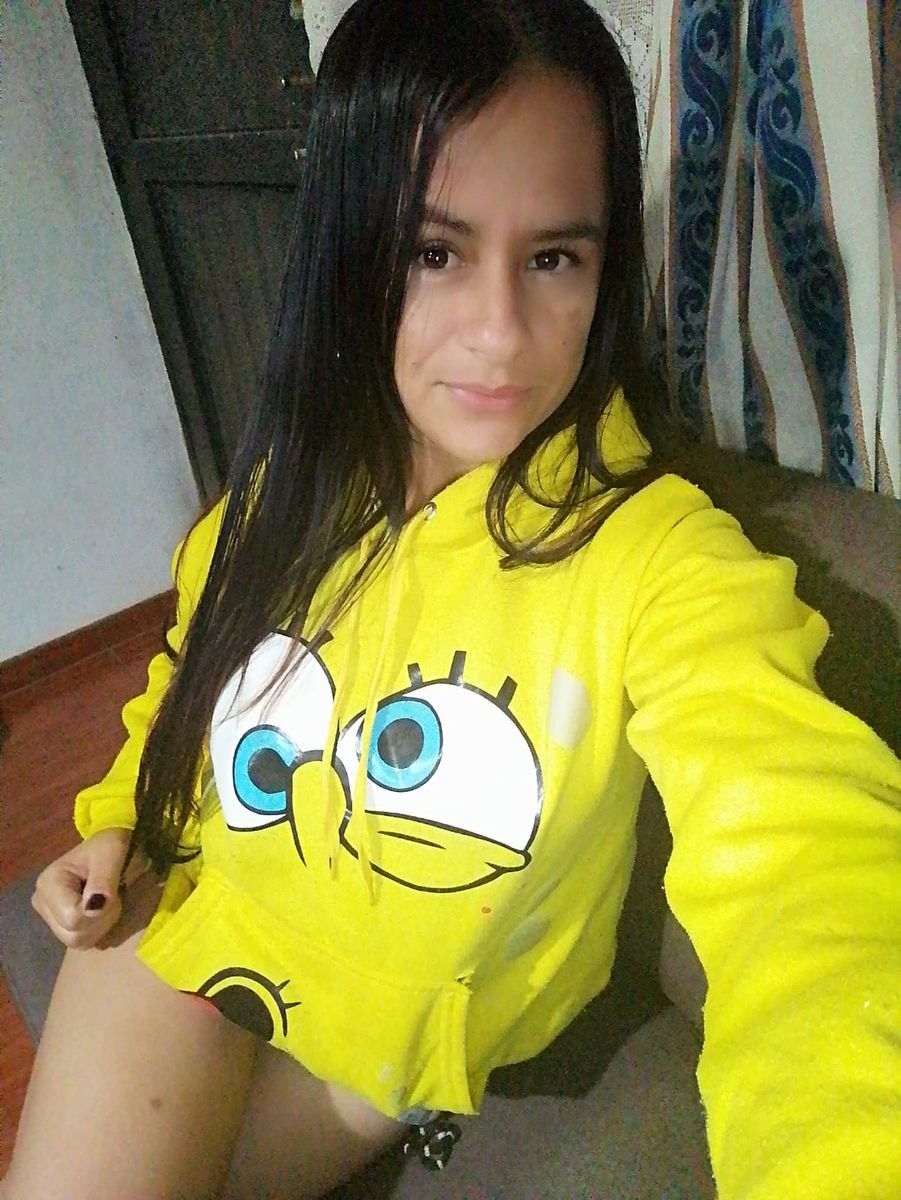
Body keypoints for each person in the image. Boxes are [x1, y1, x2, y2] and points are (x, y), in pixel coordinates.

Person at [4, 1, 900, 1197]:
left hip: (386, 1053)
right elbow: (192, 672)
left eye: (552, 258)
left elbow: (804, 881)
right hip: (193, 920)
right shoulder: (282, 493)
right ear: (351, 251)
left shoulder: (656, 559)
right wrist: (117, 821)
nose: (498, 333)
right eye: (435, 252)